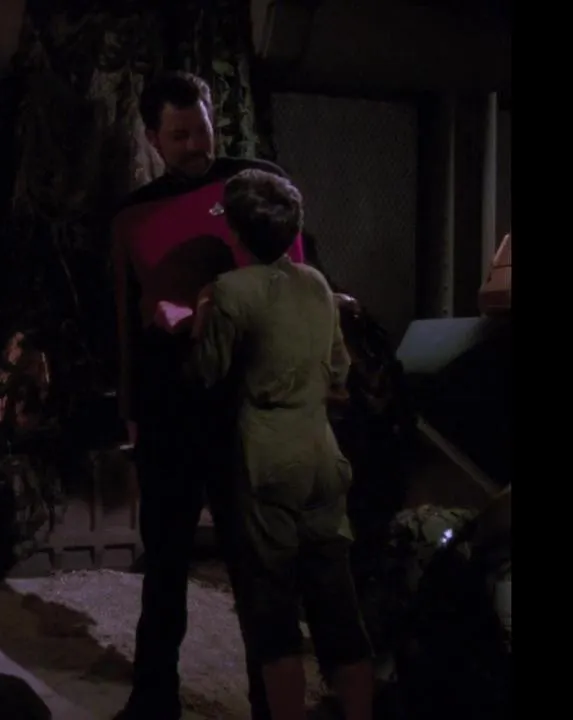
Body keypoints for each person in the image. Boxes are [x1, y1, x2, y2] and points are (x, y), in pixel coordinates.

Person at [111, 70, 305, 720]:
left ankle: (270, 705)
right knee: (164, 565)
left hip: (246, 406)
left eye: (202, 129)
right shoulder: (132, 216)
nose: (196, 145)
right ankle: (153, 699)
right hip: (169, 411)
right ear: (152, 138)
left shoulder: (256, 182)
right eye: (179, 135)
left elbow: (299, 283)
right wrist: (131, 413)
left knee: (258, 569)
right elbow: (126, 321)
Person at [184, 169, 374, 720]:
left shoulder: (230, 291)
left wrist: (200, 319)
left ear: (236, 232)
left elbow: (204, 375)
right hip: (321, 453)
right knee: (337, 604)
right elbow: (338, 369)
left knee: (273, 616)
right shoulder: (316, 285)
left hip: (265, 461)